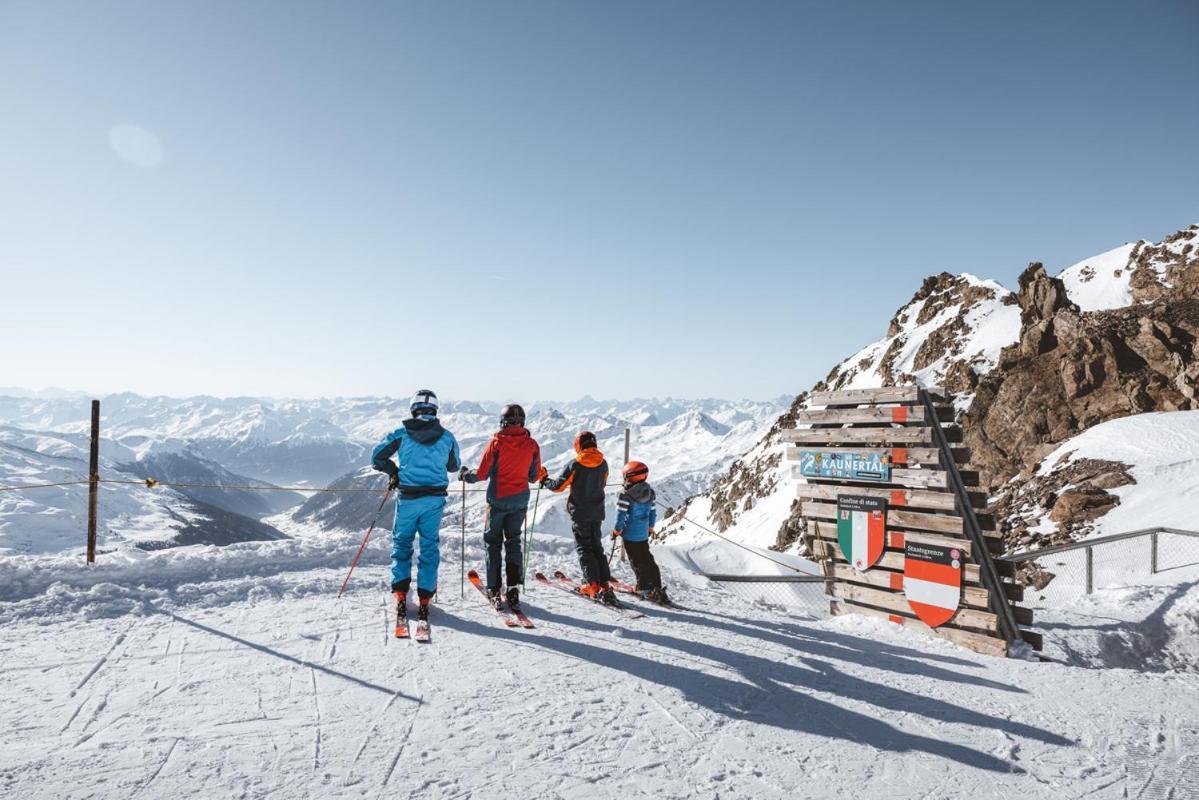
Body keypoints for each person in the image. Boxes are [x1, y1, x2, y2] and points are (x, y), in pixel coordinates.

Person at [371, 389, 461, 630]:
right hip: (434, 500)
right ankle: (424, 598)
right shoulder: (447, 437)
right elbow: (454, 466)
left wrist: (394, 472)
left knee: (402, 545)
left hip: (408, 498)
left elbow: (376, 457)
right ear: (435, 410)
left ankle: (401, 596)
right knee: (429, 546)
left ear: (413, 409)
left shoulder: (400, 433)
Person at [459, 403, 543, 612]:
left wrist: (464, 475)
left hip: (497, 501)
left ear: (503, 422)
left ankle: (495, 589)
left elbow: (481, 474)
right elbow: (534, 477)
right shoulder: (532, 445)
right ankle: (513, 589)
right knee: (513, 542)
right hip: (520, 501)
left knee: (493, 543)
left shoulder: (496, 443)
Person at [541, 430, 617, 605]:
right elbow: (603, 483)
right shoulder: (603, 463)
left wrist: (544, 479)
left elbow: (558, 487)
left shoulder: (575, 464)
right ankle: (604, 584)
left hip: (580, 512)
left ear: (579, 446)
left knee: (584, 548)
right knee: (596, 547)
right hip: (597, 512)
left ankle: (591, 585)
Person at [612, 461, 669, 605]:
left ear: (630, 476)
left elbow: (621, 516)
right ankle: (657, 587)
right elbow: (653, 512)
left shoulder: (626, 495)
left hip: (630, 534)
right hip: (643, 533)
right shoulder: (650, 492)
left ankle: (643, 588)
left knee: (637, 562)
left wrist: (617, 530)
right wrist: (650, 527)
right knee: (648, 559)